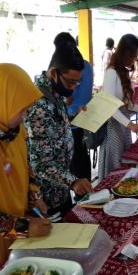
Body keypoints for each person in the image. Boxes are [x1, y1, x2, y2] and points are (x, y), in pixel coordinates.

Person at [0, 63, 52, 268]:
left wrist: (35, 196)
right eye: (22, 110)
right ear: (2, 101)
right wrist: (23, 227)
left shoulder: (14, 131)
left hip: (18, 237)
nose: (25, 116)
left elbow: (27, 169)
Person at [25, 44, 94, 219]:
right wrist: (73, 182)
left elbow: (54, 130)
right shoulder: (39, 105)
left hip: (60, 189)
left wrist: (72, 119)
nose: (73, 88)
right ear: (54, 73)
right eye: (71, 82)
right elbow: (40, 163)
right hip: (45, 199)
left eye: (77, 82)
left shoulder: (53, 95)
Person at [98, 34, 138, 179]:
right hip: (114, 127)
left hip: (123, 127)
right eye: (133, 55)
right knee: (115, 165)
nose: (134, 59)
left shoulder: (123, 71)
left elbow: (126, 102)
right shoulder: (111, 72)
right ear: (125, 53)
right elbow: (109, 106)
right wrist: (130, 124)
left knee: (125, 164)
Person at [53, 32, 93, 181]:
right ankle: (85, 189)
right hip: (85, 116)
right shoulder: (86, 65)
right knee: (82, 154)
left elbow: (68, 100)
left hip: (72, 120)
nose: (74, 85)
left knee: (76, 159)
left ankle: (81, 193)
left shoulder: (70, 69)